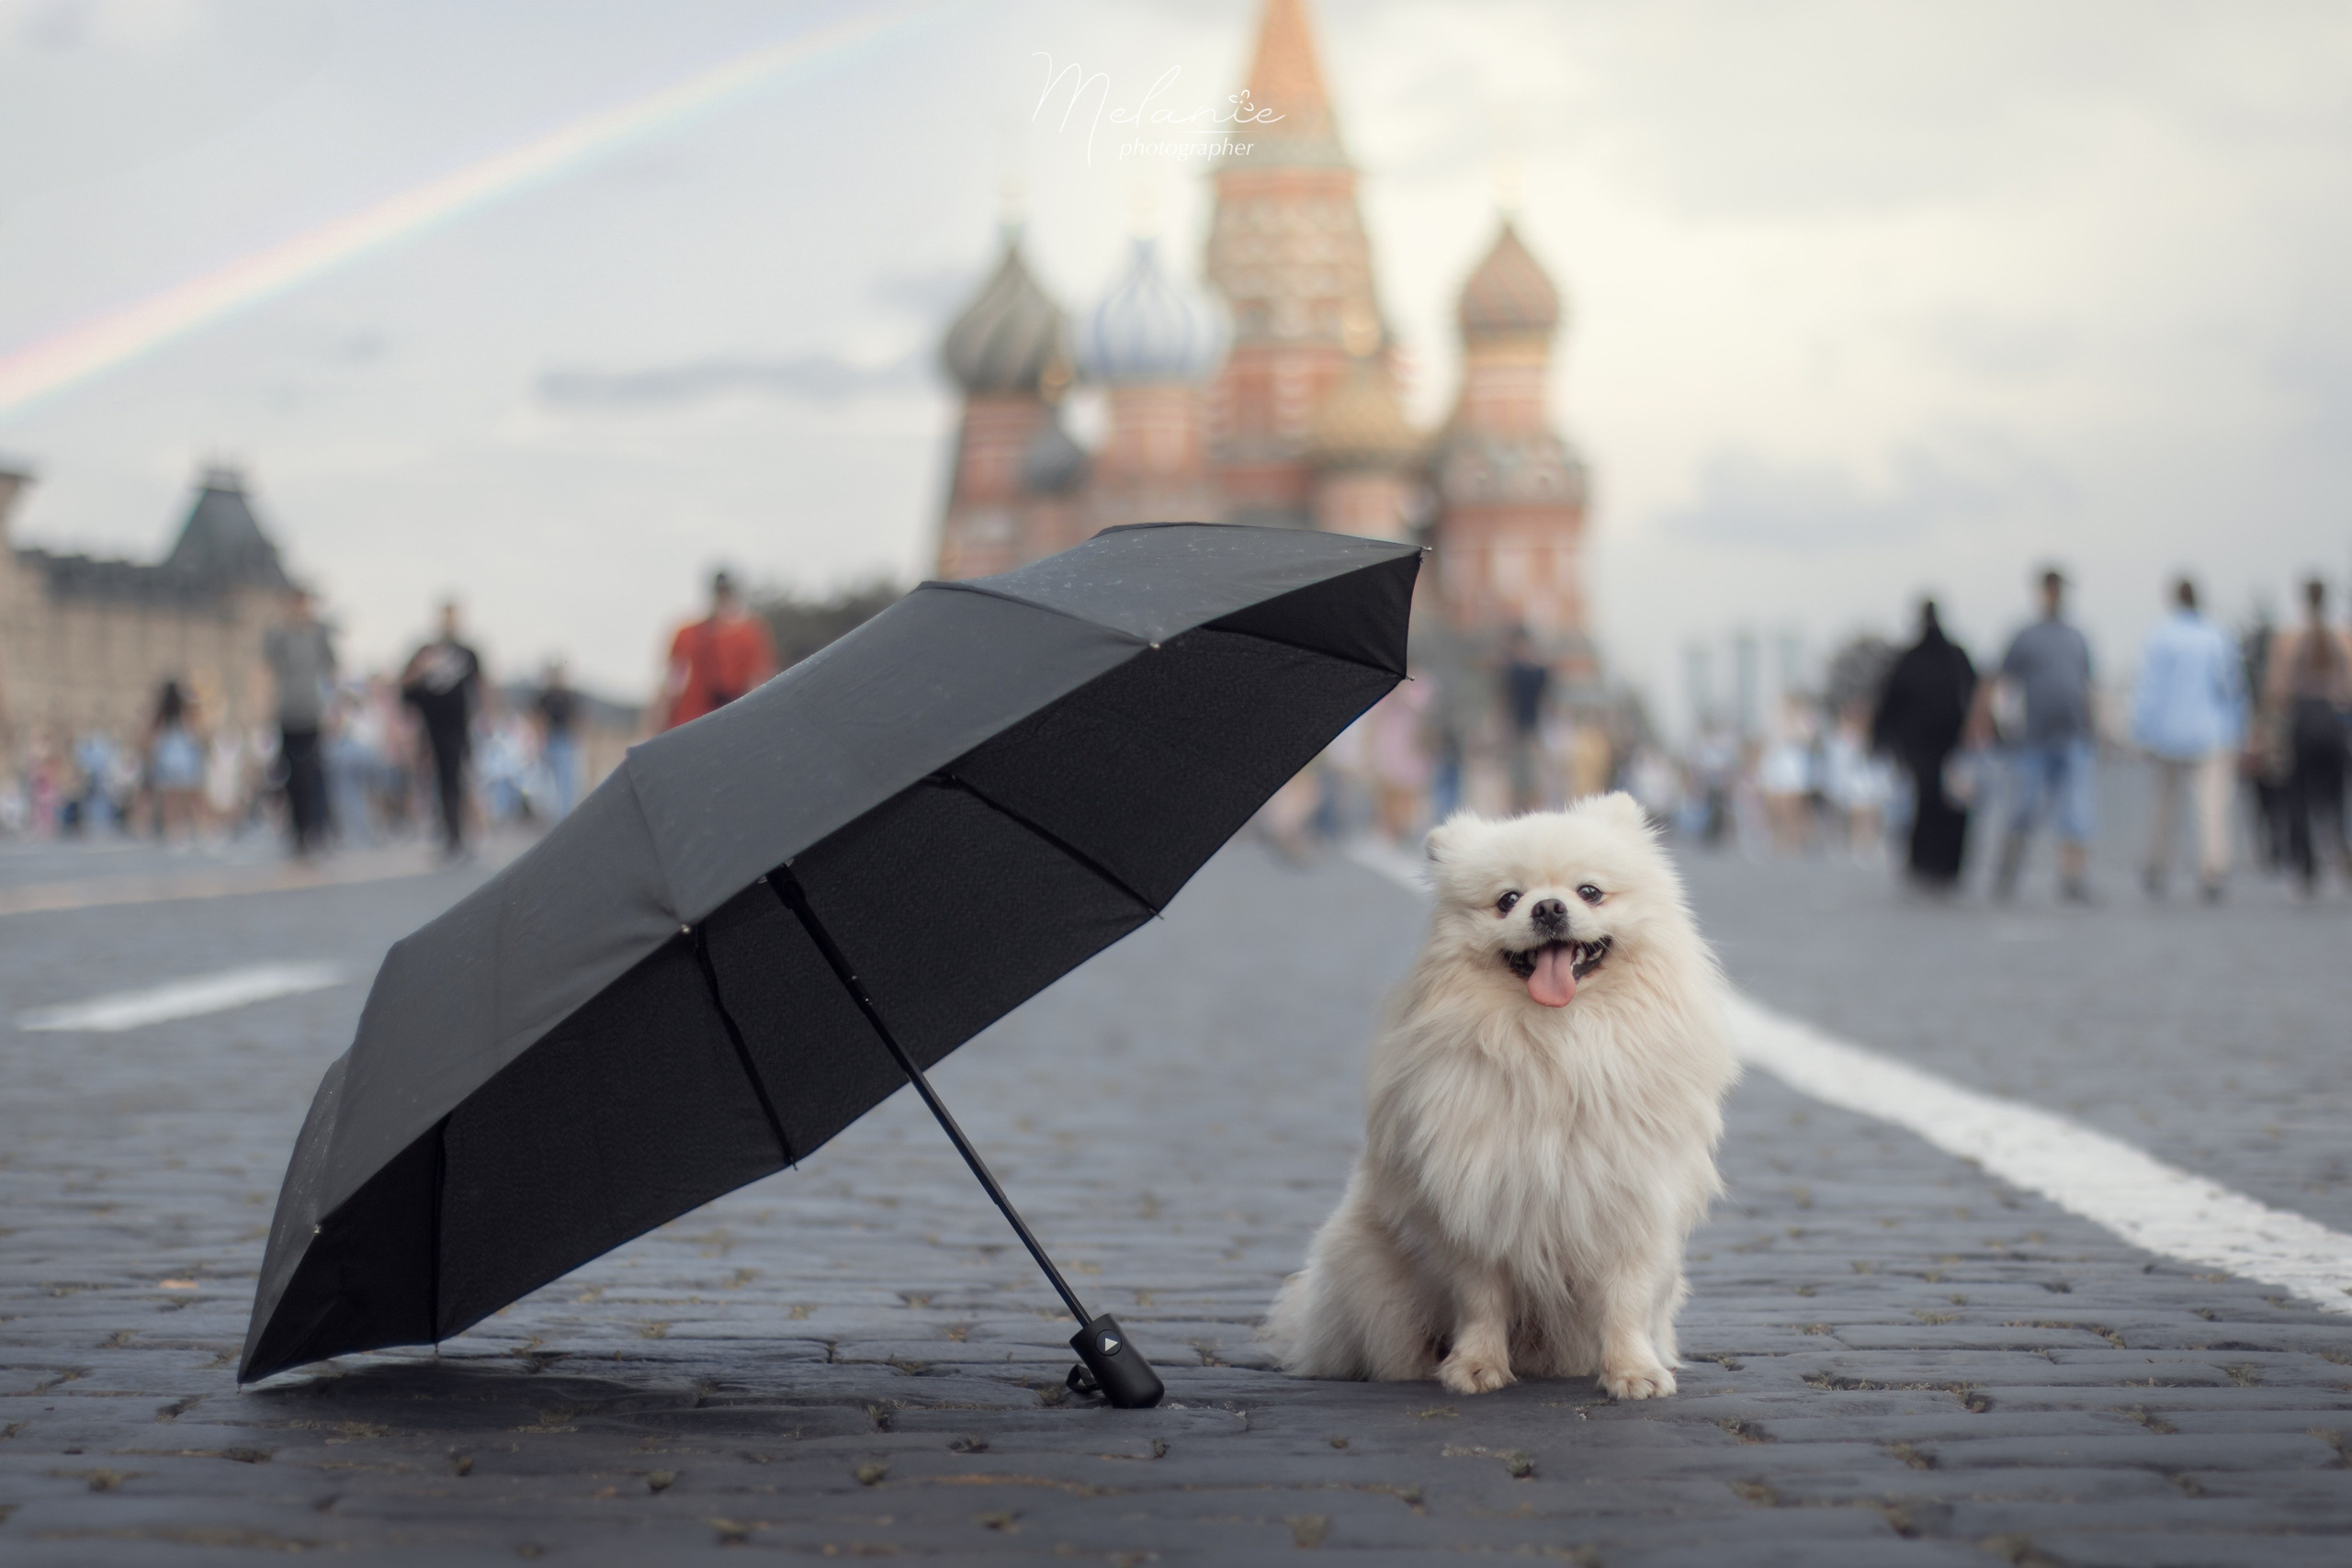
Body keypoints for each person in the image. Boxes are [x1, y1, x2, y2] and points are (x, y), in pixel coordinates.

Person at [1977, 569, 2097, 903]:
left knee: (2077, 812)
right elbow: (1997, 680)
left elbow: (2087, 687)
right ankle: (2008, 870)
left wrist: (2094, 729)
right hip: (2034, 739)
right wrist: (1987, 723)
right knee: (2022, 808)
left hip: (2073, 736)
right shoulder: (2025, 636)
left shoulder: (2077, 637)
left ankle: (2073, 878)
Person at [2130, 578, 2245, 901]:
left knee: (2164, 805)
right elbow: (2231, 686)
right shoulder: (2217, 635)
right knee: (2212, 808)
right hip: (2211, 733)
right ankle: (2213, 868)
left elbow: (2149, 689)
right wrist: (2238, 728)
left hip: (2169, 733)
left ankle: (2157, 863)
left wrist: (2141, 731)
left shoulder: (2161, 637)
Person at [1871, 599, 1977, 889]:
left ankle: (1930, 863)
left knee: (1930, 802)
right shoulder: (1949, 655)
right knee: (1935, 802)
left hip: (1938, 744)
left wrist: (1881, 739)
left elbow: (1888, 702)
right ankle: (1934, 864)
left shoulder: (1914, 657)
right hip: (1937, 744)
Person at [2260, 577, 2352, 897]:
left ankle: (2306, 865)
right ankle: (2341, 846)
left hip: (2301, 720)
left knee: (2297, 796)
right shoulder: (2342, 636)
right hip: (2333, 721)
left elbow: (2277, 688)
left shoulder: (2289, 638)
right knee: (2337, 796)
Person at [401, 600, 483, 860]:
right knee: (440, 782)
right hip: (431, 730)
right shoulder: (425, 651)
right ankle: (448, 835)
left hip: (460, 727)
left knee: (461, 780)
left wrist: (484, 717)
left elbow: (480, 686)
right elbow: (404, 685)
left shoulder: (467, 652)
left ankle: (462, 835)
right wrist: (421, 670)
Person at [262, 589, 336, 857]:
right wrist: (265, 706)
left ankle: (315, 828)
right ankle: (297, 830)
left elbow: (330, 672)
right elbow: (266, 671)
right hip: (287, 713)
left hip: (313, 714)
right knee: (291, 774)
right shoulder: (278, 637)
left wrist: (333, 709)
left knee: (313, 772)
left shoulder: (319, 636)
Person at [661, 570, 777, 732]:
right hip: (692, 720)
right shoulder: (688, 633)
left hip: (729, 721)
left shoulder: (748, 634)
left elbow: (758, 680)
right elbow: (671, 682)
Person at [147, 679, 205, 843]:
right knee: (190, 795)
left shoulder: (162, 713)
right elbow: (193, 730)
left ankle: (173, 829)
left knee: (170, 797)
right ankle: (198, 827)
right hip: (183, 754)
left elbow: (154, 734)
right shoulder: (184, 710)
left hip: (167, 754)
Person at [1499, 627, 1550, 814]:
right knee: (1516, 777)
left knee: (1534, 776)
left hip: (1534, 727)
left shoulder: (1538, 672)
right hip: (1516, 728)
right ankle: (1517, 810)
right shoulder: (1512, 671)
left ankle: (1531, 810)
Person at [537, 660, 581, 820]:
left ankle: (563, 816)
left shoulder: (568, 697)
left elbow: (575, 720)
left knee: (565, 780)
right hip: (550, 739)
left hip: (564, 740)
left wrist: (575, 739)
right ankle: (550, 815)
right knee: (548, 781)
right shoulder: (544, 697)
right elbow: (539, 718)